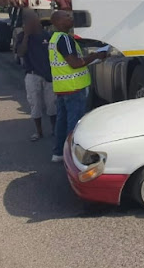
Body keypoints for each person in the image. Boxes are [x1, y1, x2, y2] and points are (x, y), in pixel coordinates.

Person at [49, 10, 107, 162]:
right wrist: (95, 55)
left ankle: (58, 153)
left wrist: (91, 59)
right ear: (59, 22)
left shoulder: (54, 38)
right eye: (67, 16)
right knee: (75, 124)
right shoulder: (65, 39)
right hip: (74, 88)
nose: (71, 18)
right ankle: (73, 158)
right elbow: (74, 63)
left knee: (62, 122)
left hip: (63, 88)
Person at [15, 10, 56, 141]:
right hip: (32, 75)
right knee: (35, 104)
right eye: (29, 21)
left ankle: (55, 130)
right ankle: (38, 132)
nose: (33, 23)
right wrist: (27, 35)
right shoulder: (22, 36)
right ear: (25, 23)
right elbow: (21, 53)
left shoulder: (47, 35)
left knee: (52, 104)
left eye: (34, 19)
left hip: (48, 75)